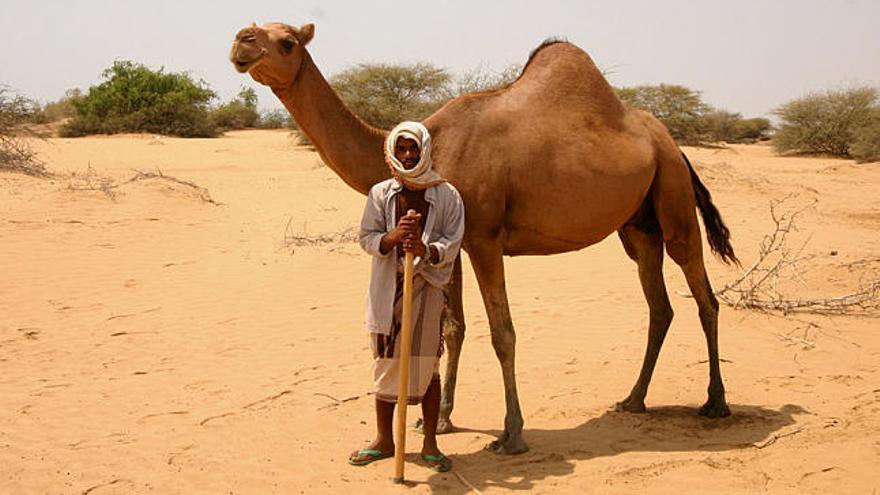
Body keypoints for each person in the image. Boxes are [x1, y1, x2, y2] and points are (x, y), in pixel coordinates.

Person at [349, 121, 465, 473]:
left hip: (428, 290)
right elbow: (367, 237)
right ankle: (385, 440)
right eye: (402, 148)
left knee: (427, 365)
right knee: (386, 364)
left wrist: (426, 249)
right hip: (389, 291)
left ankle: (430, 443)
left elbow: (454, 240)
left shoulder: (447, 195)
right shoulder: (381, 193)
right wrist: (394, 237)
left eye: (413, 148)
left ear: (425, 150)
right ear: (392, 153)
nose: (409, 154)